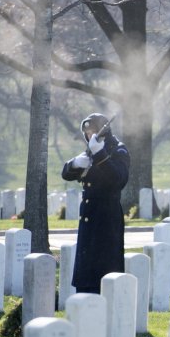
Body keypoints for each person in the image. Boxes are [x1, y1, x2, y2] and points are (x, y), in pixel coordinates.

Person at [61, 113, 130, 294]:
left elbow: (118, 179)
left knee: (104, 271)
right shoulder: (91, 149)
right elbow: (66, 174)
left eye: (92, 130)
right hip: (89, 218)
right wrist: (74, 164)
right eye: (86, 132)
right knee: (86, 274)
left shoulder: (118, 150)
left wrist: (100, 154)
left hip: (107, 219)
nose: (89, 135)